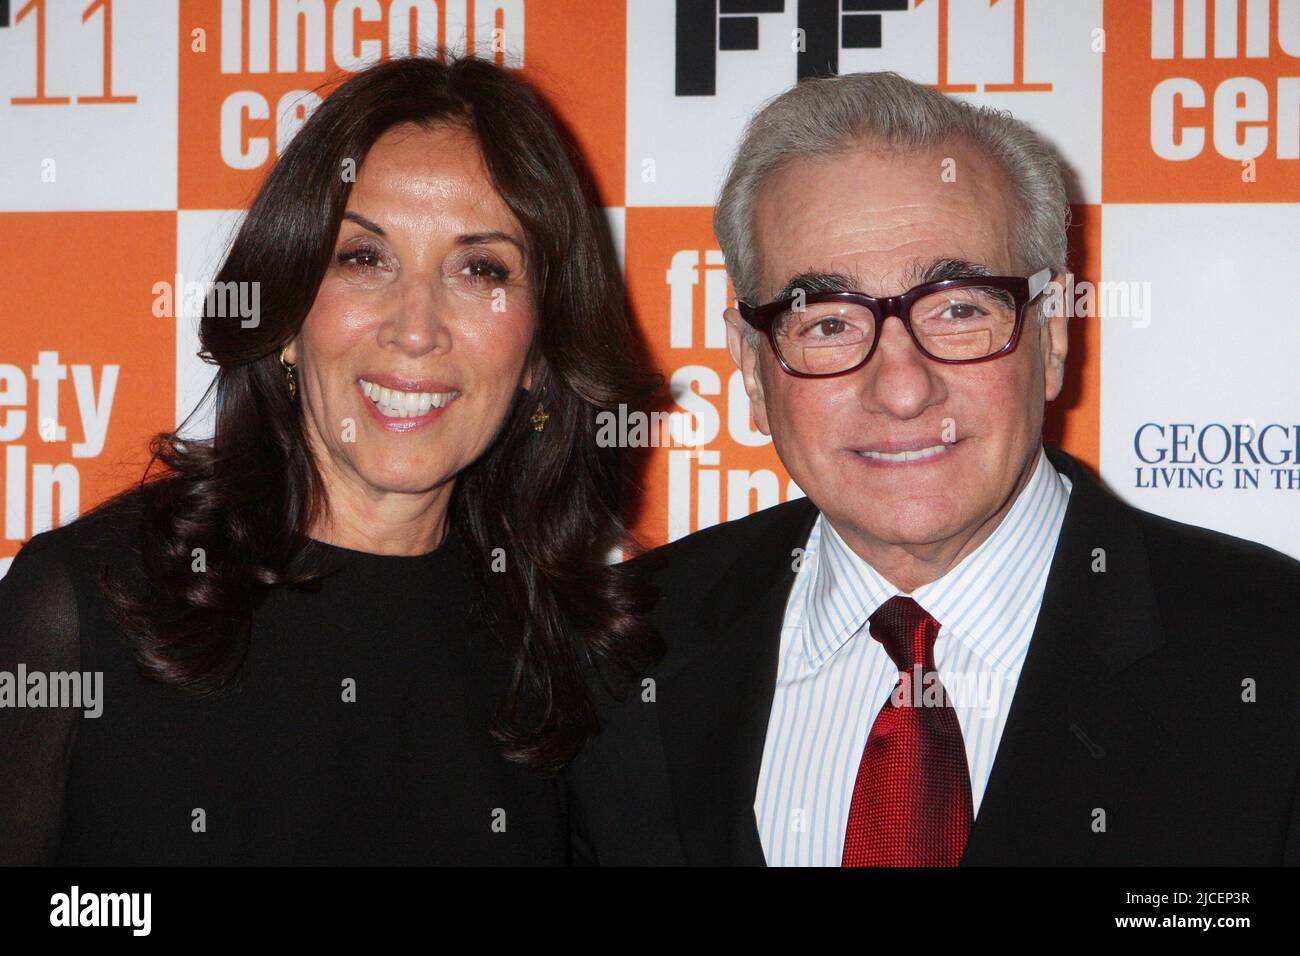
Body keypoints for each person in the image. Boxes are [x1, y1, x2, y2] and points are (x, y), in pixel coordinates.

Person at [566, 70, 1300, 866]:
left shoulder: (1274, 657)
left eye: (958, 309)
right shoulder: (618, 653)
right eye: (829, 323)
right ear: (751, 363)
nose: (904, 387)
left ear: (1050, 336)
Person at [0, 53, 659, 865]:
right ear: (287, 307)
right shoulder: (85, 610)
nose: (416, 328)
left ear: (539, 352)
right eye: (364, 258)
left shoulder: (573, 660)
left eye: (481, 268)